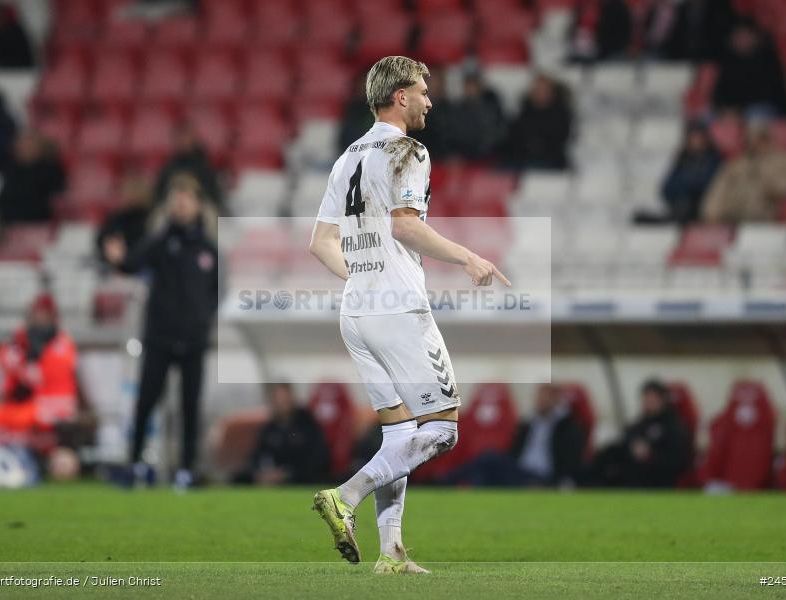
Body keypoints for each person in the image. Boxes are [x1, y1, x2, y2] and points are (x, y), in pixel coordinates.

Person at [309, 56, 511, 574]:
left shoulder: (347, 156)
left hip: (356, 310)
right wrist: (469, 256)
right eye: (422, 91)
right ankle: (345, 497)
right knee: (443, 428)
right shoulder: (408, 150)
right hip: (397, 305)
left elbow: (320, 243)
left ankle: (392, 553)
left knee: (400, 435)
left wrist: (359, 279)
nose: (429, 100)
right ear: (400, 95)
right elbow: (405, 226)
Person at [103, 174, 219, 491]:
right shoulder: (159, 240)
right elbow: (132, 263)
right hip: (159, 338)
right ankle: (136, 464)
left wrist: (202, 322)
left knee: (189, 407)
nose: (180, 204)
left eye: (186, 198)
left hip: (194, 341)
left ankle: (186, 470)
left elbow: (216, 292)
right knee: (146, 402)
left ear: (197, 205)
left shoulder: (209, 248)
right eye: (176, 199)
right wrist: (118, 259)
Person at [0, 294, 78, 443]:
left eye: (44, 315)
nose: (39, 320)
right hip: (29, 404)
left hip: (52, 406)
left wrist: (25, 364)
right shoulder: (22, 338)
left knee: (3, 422)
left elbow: (40, 376)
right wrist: (21, 355)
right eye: (36, 315)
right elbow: (6, 362)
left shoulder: (63, 343)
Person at [441, 384, 585, 488]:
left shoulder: (567, 427)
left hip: (543, 477)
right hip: (521, 470)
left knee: (488, 460)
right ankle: (454, 484)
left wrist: (555, 483)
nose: (540, 401)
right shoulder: (528, 424)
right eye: (538, 397)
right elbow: (514, 450)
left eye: (544, 398)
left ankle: (443, 482)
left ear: (555, 400)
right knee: (487, 460)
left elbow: (570, 460)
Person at [702, 120, 786, 224]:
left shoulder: (785, 158)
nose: (754, 143)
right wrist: (711, 213)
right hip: (732, 218)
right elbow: (719, 189)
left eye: (758, 139)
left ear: (766, 139)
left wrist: (780, 187)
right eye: (750, 139)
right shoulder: (736, 164)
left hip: (764, 218)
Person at [584, 380, 690, 488]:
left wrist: (649, 456)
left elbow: (677, 461)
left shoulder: (674, 427)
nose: (648, 401)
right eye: (646, 398)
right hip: (630, 472)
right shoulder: (641, 423)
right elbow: (625, 440)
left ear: (663, 400)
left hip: (655, 479)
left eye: (653, 398)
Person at [233, 382, 330, 485]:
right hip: (270, 482)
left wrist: (287, 474)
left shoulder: (308, 425)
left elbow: (318, 460)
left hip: (300, 481)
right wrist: (262, 474)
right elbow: (255, 458)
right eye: (278, 400)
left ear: (292, 399)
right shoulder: (268, 430)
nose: (282, 404)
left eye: (285, 399)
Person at [634, 121, 721, 225]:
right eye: (693, 137)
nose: (696, 141)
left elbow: (708, 183)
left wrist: (686, 184)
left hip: (702, 205)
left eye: (698, 137)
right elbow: (667, 188)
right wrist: (685, 187)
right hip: (679, 204)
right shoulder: (683, 159)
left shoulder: (713, 159)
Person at [712, 19, 786, 118]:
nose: (742, 40)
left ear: (755, 37)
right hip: (734, 110)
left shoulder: (768, 58)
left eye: (745, 35)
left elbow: (768, 92)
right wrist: (723, 109)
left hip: (766, 108)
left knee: (755, 114)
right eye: (738, 36)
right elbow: (719, 93)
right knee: (706, 116)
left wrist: (738, 110)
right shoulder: (728, 62)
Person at [503, 74, 573, 170]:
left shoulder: (560, 113)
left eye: (544, 90)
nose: (539, 93)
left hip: (550, 160)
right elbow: (515, 136)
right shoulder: (524, 110)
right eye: (536, 89)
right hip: (522, 158)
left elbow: (557, 139)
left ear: (552, 92)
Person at [0, 130, 66, 224]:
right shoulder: (11, 170)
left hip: (36, 221)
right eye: (21, 146)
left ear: (39, 148)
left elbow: (51, 197)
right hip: (9, 221)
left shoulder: (50, 170)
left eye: (28, 146)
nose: (23, 149)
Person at [153, 122, 222, 209]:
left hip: (200, 209)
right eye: (180, 137)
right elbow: (159, 194)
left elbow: (214, 195)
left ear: (194, 139)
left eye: (186, 137)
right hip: (171, 210)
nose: (183, 141)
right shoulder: (168, 168)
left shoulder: (205, 166)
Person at [96, 171, 152, 266]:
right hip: (112, 266)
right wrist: (109, 249)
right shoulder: (116, 217)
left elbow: (150, 247)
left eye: (135, 189)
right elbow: (102, 240)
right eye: (128, 190)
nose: (131, 194)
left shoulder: (151, 219)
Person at [450, 70, 504, 161]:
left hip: (487, 157)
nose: (470, 89)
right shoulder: (457, 109)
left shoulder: (490, 108)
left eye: (473, 85)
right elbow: (454, 134)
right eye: (468, 85)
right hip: (463, 157)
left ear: (480, 86)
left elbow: (495, 134)